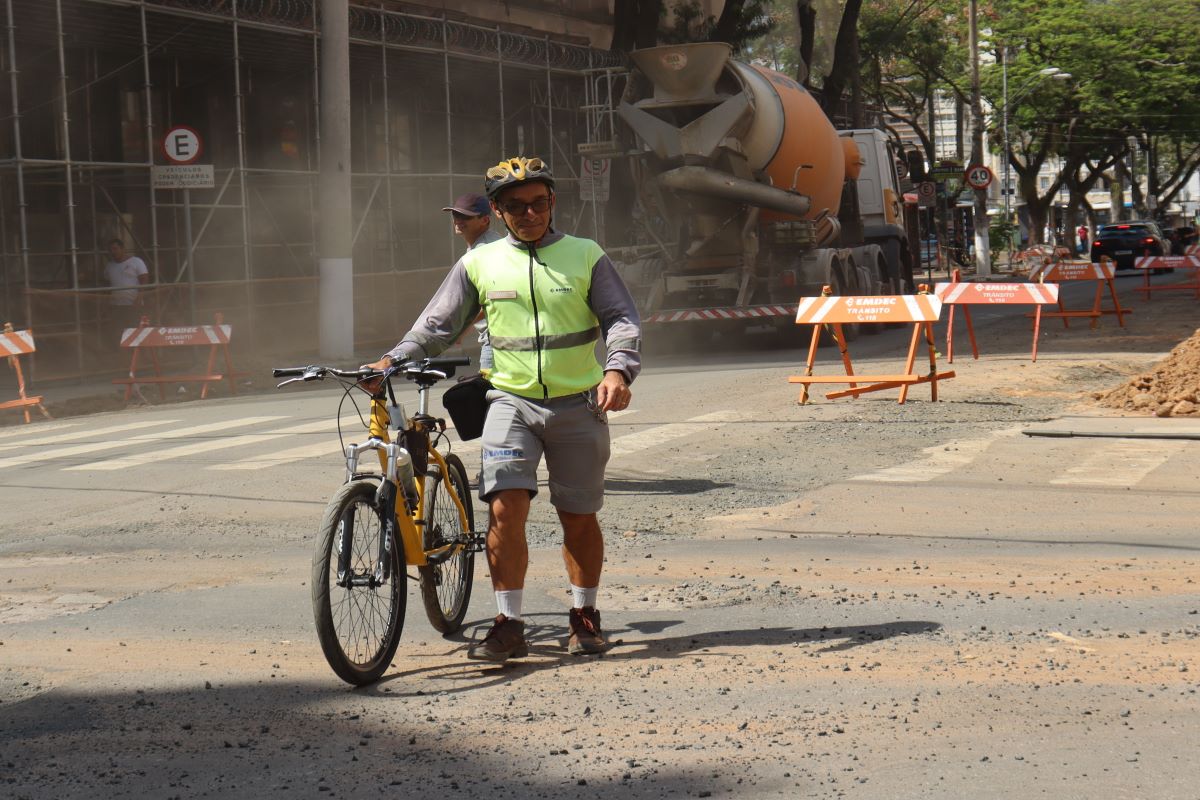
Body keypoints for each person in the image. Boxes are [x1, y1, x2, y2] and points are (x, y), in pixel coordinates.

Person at [366, 156, 641, 662]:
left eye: (540, 203)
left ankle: (584, 615)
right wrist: (392, 359)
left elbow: (621, 318)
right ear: (497, 211)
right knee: (503, 510)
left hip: (577, 404)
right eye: (516, 206)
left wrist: (617, 370)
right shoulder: (479, 263)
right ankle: (508, 622)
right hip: (509, 402)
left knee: (577, 517)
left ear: (553, 203)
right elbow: (436, 325)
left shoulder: (586, 255)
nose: (530, 213)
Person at [442, 193, 503, 370]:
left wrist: (463, 329)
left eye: (466, 216)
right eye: (456, 215)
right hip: (499, 340)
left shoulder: (485, 251)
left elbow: (494, 297)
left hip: (497, 342)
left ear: (485, 220)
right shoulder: (484, 245)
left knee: (490, 394)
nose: (458, 220)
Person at [103, 239, 149, 341]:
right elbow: (107, 283)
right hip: (116, 305)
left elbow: (144, 279)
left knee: (134, 329)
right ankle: (122, 354)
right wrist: (107, 303)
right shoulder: (110, 266)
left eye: (115, 248)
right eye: (111, 250)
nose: (113, 252)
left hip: (133, 303)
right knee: (118, 330)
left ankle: (136, 353)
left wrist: (139, 297)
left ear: (123, 249)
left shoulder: (136, 261)